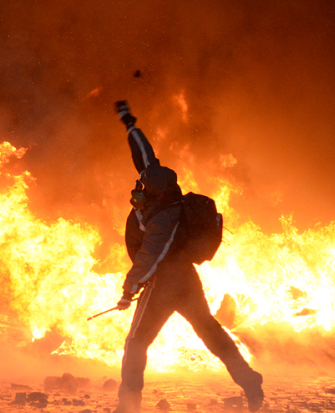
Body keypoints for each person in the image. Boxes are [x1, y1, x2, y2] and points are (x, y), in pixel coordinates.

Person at [113, 101, 264, 413]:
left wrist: (129, 290)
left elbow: (150, 256)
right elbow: (144, 155)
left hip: (163, 284)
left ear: (155, 194)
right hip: (186, 280)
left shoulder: (163, 218)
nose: (138, 190)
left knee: (136, 344)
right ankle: (250, 380)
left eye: (142, 188)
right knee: (209, 331)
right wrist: (130, 123)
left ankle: (128, 406)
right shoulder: (163, 189)